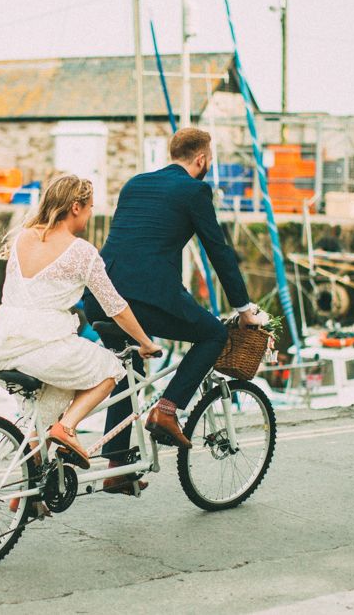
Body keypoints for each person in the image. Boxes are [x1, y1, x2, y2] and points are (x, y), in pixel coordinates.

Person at [84, 127, 264, 477]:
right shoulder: (195, 190)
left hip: (99, 295)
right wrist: (244, 309)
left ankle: (118, 464)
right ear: (201, 159)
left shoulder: (135, 183)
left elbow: (137, 243)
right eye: (209, 160)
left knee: (127, 366)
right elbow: (219, 252)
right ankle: (167, 409)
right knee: (213, 334)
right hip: (142, 297)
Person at [0, 174, 161, 477]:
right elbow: (115, 306)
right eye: (89, 208)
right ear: (75, 207)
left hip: (3, 344)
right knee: (111, 369)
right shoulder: (80, 251)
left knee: (41, 418)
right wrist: (146, 343)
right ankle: (68, 428)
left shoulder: (22, 236)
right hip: (43, 345)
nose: (89, 215)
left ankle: (26, 497)